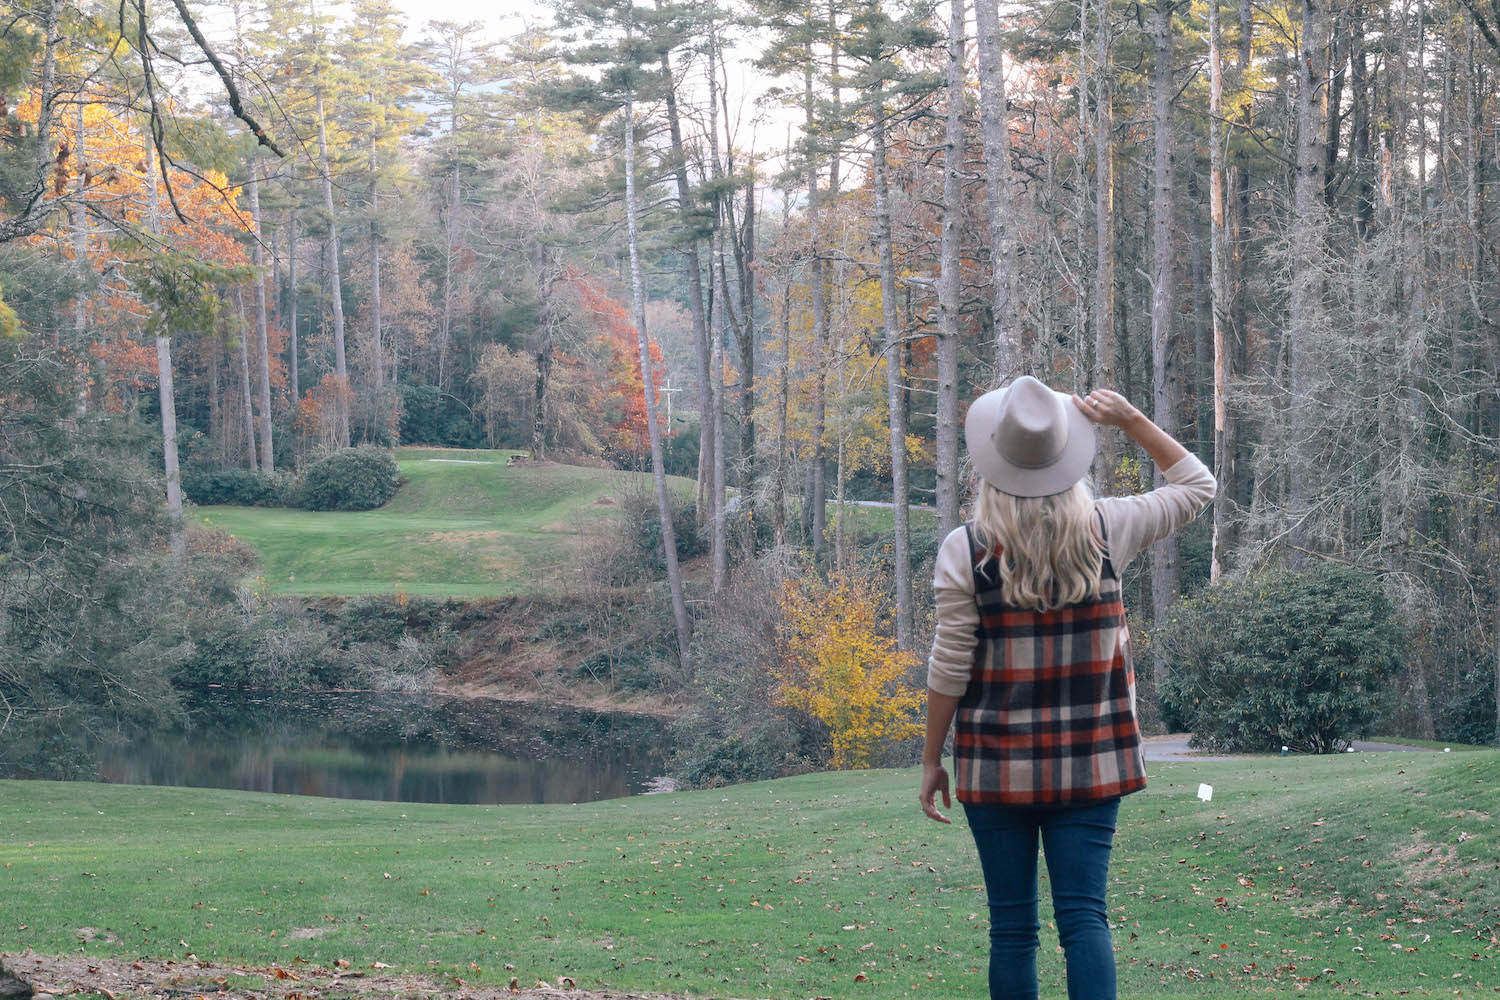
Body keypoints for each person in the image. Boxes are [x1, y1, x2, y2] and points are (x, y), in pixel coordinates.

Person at [918, 377, 1217, 1000]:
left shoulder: (965, 550)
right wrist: (1131, 419)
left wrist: (930, 758)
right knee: (1084, 919)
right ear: (1066, 452)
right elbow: (1196, 486)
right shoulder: (1108, 529)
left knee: (1011, 930)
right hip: (1091, 766)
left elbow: (950, 666)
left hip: (995, 769)